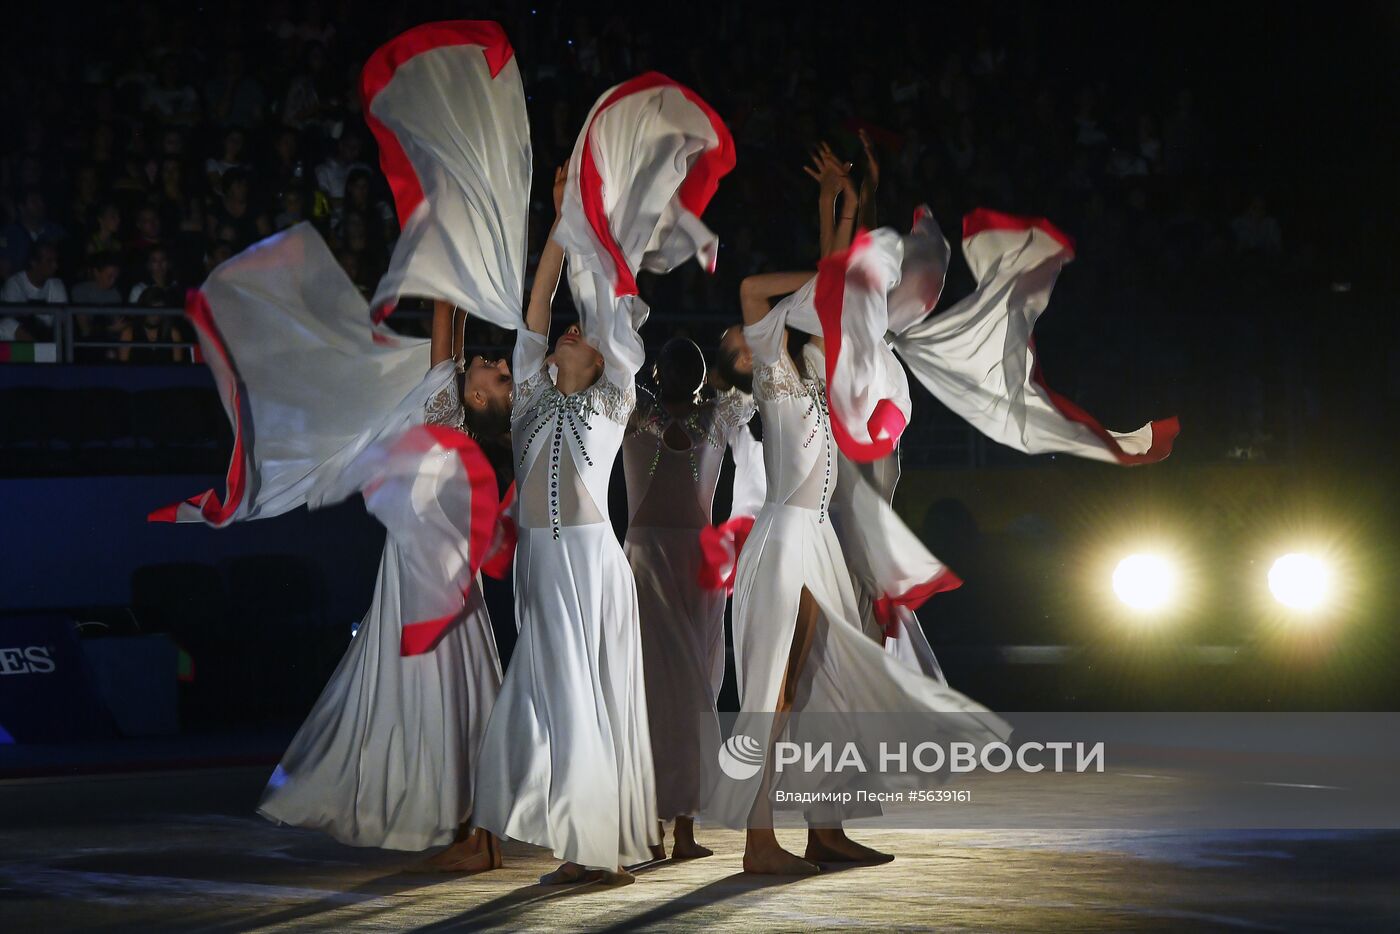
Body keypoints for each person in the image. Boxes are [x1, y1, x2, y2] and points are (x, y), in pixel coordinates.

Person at [709, 146, 1009, 875]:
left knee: (823, 689)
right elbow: (758, 288)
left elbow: (838, 297)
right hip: (785, 540)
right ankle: (756, 840)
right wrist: (827, 269)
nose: (749, 334)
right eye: (736, 343)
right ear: (744, 359)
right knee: (778, 688)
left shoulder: (813, 367)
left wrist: (843, 210)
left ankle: (825, 828)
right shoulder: (774, 374)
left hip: (820, 542)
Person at [472, 168, 656, 886]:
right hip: (543, 564)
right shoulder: (524, 396)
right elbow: (540, 298)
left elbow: (603, 300)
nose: (568, 334)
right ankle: (579, 839)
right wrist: (561, 217)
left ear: (603, 355)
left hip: (592, 561)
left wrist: (592, 225)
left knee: (591, 693)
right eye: (560, 338)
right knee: (552, 693)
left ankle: (591, 848)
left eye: (583, 336)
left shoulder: (615, 396)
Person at [622, 337, 755, 861]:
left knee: (686, 687)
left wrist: (729, 360)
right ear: (658, 374)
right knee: (670, 690)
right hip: (654, 560)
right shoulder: (636, 411)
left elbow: (749, 384)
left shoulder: (713, 416)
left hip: (684, 562)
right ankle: (668, 829)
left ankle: (672, 829)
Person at [1, 241, 66, 342]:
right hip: (21, 340)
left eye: (56, 261)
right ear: (34, 262)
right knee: (8, 324)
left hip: (48, 337)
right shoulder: (15, 284)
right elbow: (18, 321)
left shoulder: (57, 284)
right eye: (49, 261)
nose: (55, 266)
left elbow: (62, 321)